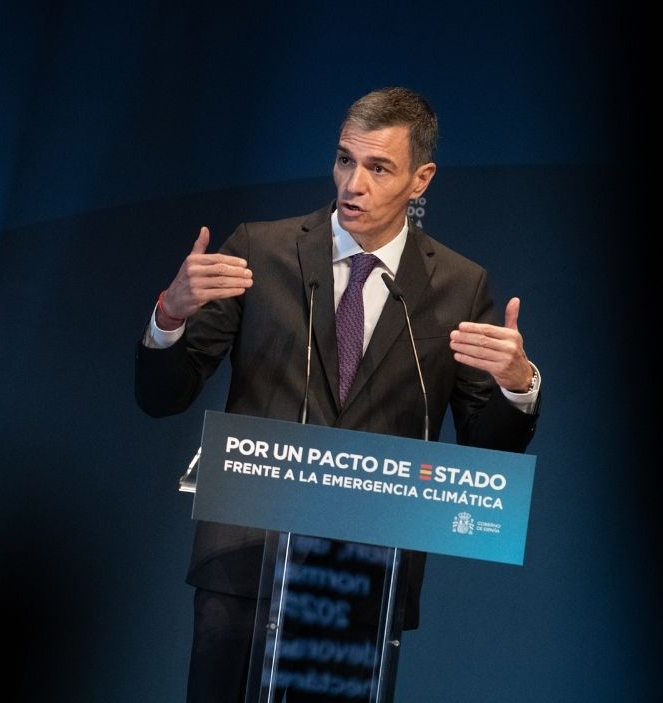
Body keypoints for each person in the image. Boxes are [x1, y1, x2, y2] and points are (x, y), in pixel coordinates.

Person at [134, 87, 541, 702]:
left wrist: (516, 387)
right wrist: (171, 314)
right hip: (246, 559)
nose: (354, 183)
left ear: (420, 179)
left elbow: (488, 441)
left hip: (365, 578)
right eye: (345, 160)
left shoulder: (458, 286)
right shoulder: (261, 251)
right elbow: (163, 395)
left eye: (379, 168)